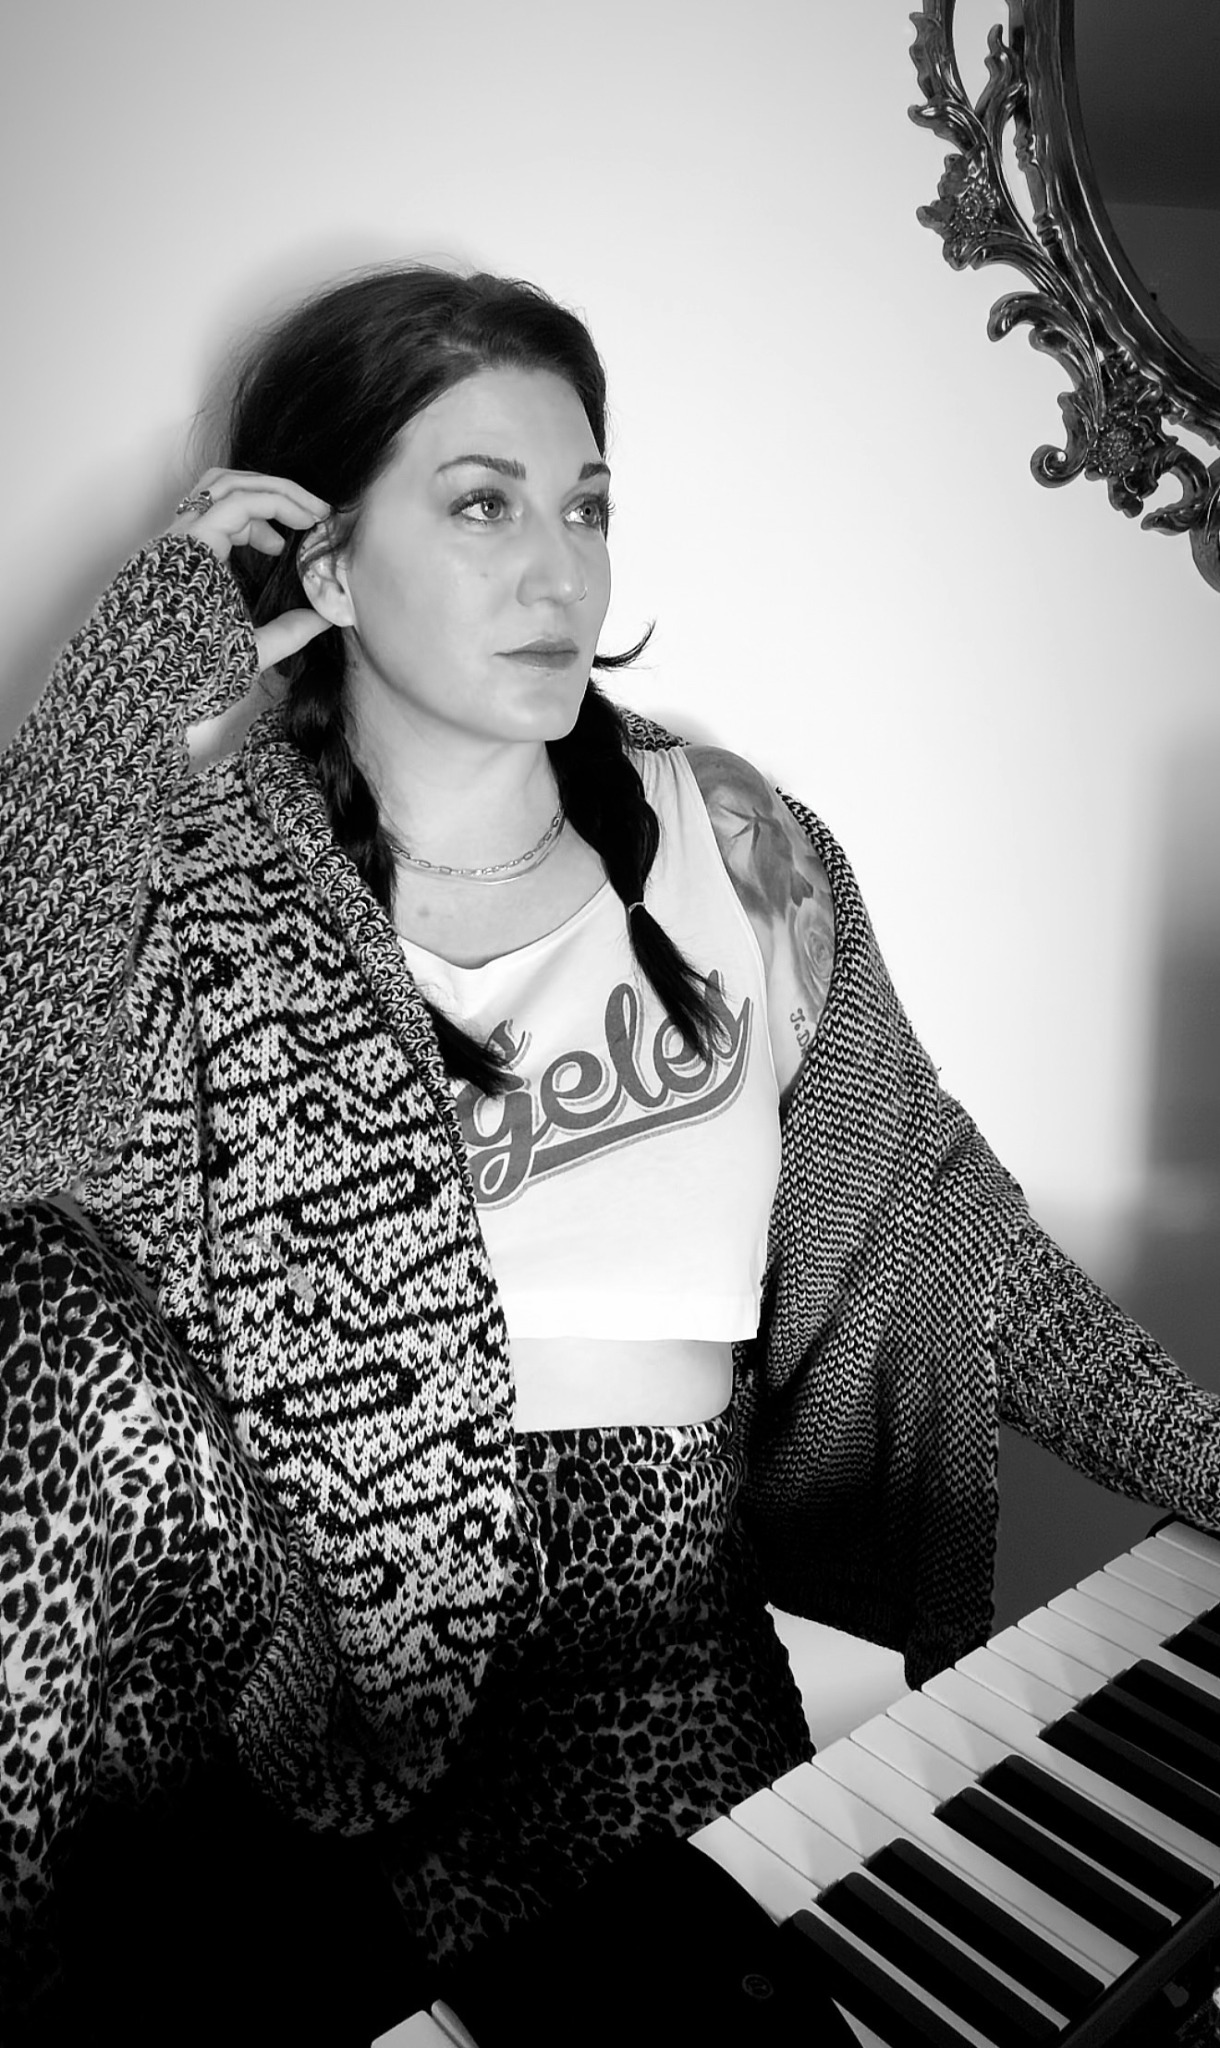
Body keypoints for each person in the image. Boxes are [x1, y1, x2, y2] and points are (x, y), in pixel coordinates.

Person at [3, 263, 1220, 2040]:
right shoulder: (193, 884)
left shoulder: (731, 845)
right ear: (323, 558)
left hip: (658, 1687)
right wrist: (137, 670)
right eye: (481, 505)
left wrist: (1210, 1457)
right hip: (311, 1709)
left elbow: (949, 1238)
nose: (561, 571)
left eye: (584, 506)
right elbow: (21, 1122)